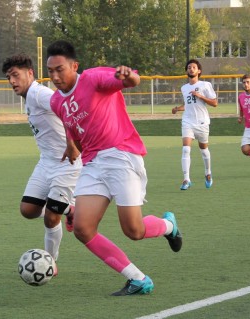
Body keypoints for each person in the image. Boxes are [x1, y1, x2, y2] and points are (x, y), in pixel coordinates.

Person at [46, 40, 182, 296]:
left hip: (121, 155)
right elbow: (70, 124)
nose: (54, 76)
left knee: (134, 230)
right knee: (83, 229)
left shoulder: (93, 78)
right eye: (50, 71)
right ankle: (138, 279)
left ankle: (167, 226)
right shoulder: (55, 101)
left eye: (60, 69)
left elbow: (132, 81)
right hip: (93, 163)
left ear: (74, 66)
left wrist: (129, 76)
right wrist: (71, 144)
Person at [2, 54, 82, 265]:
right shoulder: (29, 98)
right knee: (28, 210)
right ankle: (69, 209)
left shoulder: (39, 94)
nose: (12, 81)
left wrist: (72, 144)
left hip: (67, 162)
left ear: (30, 73)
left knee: (51, 216)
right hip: (46, 162)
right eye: (8, 77)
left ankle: (50, 263)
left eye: (15, 75)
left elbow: (65, 107)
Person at [172, 59, 218, 190]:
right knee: (186, 149)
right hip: (188, 121)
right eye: (189, 67)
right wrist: (177, 108)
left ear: (199, 71)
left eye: (193, 67)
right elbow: (188, 105)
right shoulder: (184, 88)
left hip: (202, 122)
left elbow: (214, 103)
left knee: (204, 150)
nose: (191, 69)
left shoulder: (205, 85)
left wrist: (200, 96)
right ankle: (186, 179)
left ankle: (208, 173)